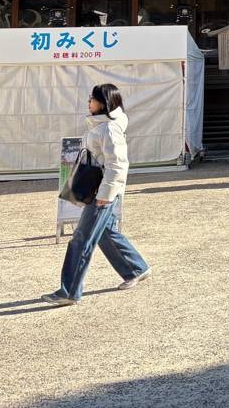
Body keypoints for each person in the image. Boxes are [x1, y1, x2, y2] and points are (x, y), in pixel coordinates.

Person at [43, 84, 151, 306]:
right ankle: (136, 268)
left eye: (91, 98)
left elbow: (118, 164)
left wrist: (106, 195)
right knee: (106, 233)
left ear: (103, 102)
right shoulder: (100, 126)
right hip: (99, 190)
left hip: (102, 192)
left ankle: (69, 291)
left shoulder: (109, 128)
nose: (88, 102)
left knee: (81, 239)